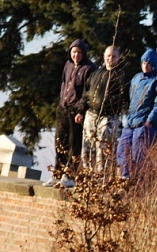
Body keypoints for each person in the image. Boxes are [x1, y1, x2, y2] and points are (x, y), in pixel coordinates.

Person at [47, 39, 95, 187]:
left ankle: (70, 176)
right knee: (60, 142)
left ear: (84, 53)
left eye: (79, 52)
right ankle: (57, 174)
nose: (76, 55)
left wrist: (80, 110)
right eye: (74, 52)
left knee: (74, 145)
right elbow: (64, 84)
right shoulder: (67, 65)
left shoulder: (89, 68)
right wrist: (60, 103)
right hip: (63, 108)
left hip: (76, 112)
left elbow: (87, 93)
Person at [117, 49, 157, 181]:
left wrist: (150, 121)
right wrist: (126, 117)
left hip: (144, 124)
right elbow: (130, 98)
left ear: (154, 64)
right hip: (130, 122)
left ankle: (138, 184)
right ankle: (125, 180)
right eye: (143, 63)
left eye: (149, 63)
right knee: (122, 152)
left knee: (138, 156)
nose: (145, 66)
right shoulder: (136, 78)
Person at [81, 45, 128, 173]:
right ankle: (87, 176)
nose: (110, 58)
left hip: (108, 117)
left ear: (118, 58)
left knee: (103, 149)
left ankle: (101, 176)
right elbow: (86, 93)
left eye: (114, 56)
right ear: (104, 56)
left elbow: (123, 97)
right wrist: (81, 110)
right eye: (108, 55)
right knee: (87, 148)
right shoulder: (96, 74)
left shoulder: (121, 76)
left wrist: (109, 101)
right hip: (91, 115)